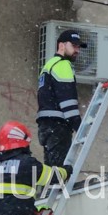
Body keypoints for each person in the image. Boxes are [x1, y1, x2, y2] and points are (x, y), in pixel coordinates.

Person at [36, 29, 86, 165]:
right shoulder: (63, 65)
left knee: (50, 172)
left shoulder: (49, 65)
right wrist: (79, 128)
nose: (77, 50)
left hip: (46, 126)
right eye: (74, 46)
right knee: (59, 174)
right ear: (62, 45)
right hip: (58, 126)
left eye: (78, 47)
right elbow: (68, 102)